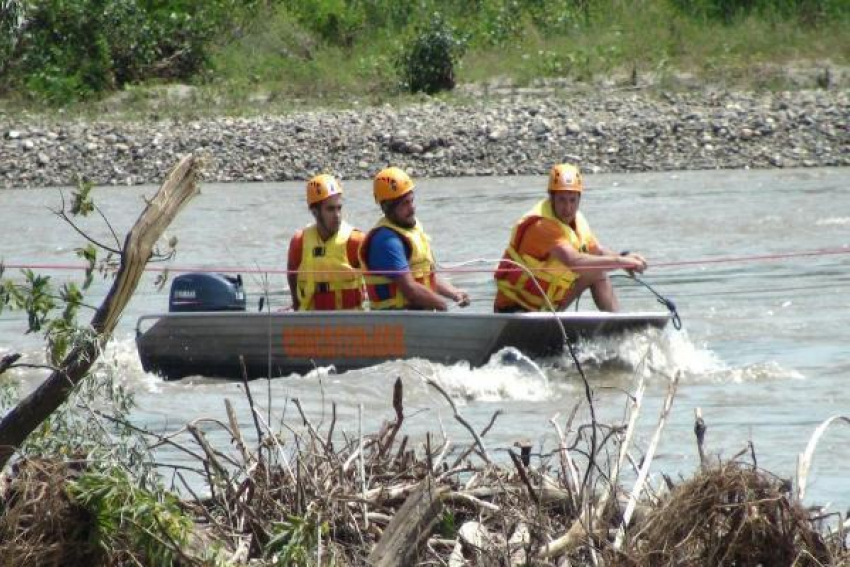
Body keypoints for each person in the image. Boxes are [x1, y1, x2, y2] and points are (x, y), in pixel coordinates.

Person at [493, 163, 646, 313]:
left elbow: (597, 251)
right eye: (561, 200)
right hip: (514, 308)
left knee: (597, 272)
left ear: (579, 198)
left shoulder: (578, 221)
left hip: (549, 308)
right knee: (592, 267)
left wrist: (625, 258)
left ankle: (618, 324)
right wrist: (620, 262)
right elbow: (574, 261)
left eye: (572, 200)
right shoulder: (541, 225)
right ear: (551, 198)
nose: (567, 208)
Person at [359, 166, 470, 311]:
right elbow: (411, 290)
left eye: (411, 201)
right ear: (387, 207)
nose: (412, 208)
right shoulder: (386, 241)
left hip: (419, 318)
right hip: (397, 322)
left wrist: (454, 293)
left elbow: (426, 278)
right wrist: (443, 306)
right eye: (404, 204)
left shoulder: (410, 230)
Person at [287, 174, 365, 311]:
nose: (337, 215)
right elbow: (292, 277)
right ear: (315, 211)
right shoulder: (299, 242)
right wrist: (296, 307)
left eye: (339, 208)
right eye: (330, 209)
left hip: (350, 324)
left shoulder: (355, 240)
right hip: (310, 324)